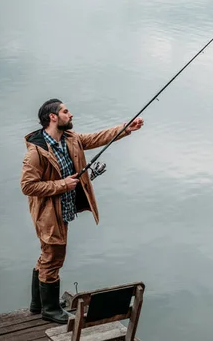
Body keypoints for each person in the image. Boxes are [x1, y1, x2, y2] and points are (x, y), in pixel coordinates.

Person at [20, 99, 144, 324]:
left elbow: (95, 138)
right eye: (66, 111)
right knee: (54, 257)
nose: (71, 114)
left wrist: (124, 129)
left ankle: (38, 305)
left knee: (48, 254)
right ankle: (50, 309)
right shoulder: (36, 153)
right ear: (53, 117)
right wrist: (62, 185)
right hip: (48, 214)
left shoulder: (70, 139)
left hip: (63, 210)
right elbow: (27, 186)